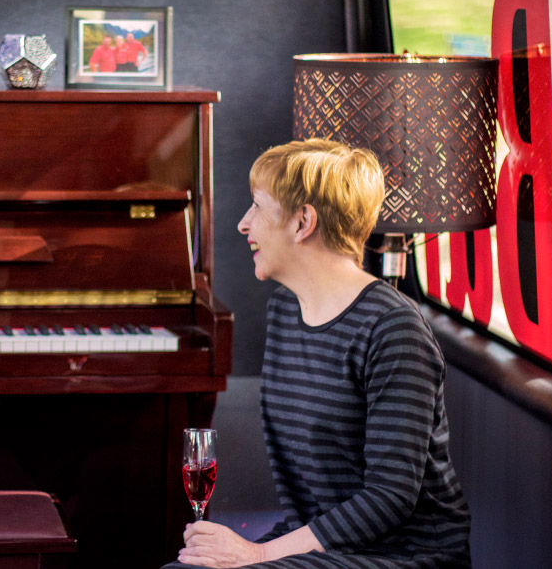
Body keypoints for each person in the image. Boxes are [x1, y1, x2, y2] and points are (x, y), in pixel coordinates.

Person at [165, 139, 470, 568]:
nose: (242, 224)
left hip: (401, 556)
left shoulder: (393, 329)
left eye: (256, 206)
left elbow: (390, 497)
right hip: (315, 543)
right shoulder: (285, 310)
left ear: (302, 221)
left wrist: (257, 553)